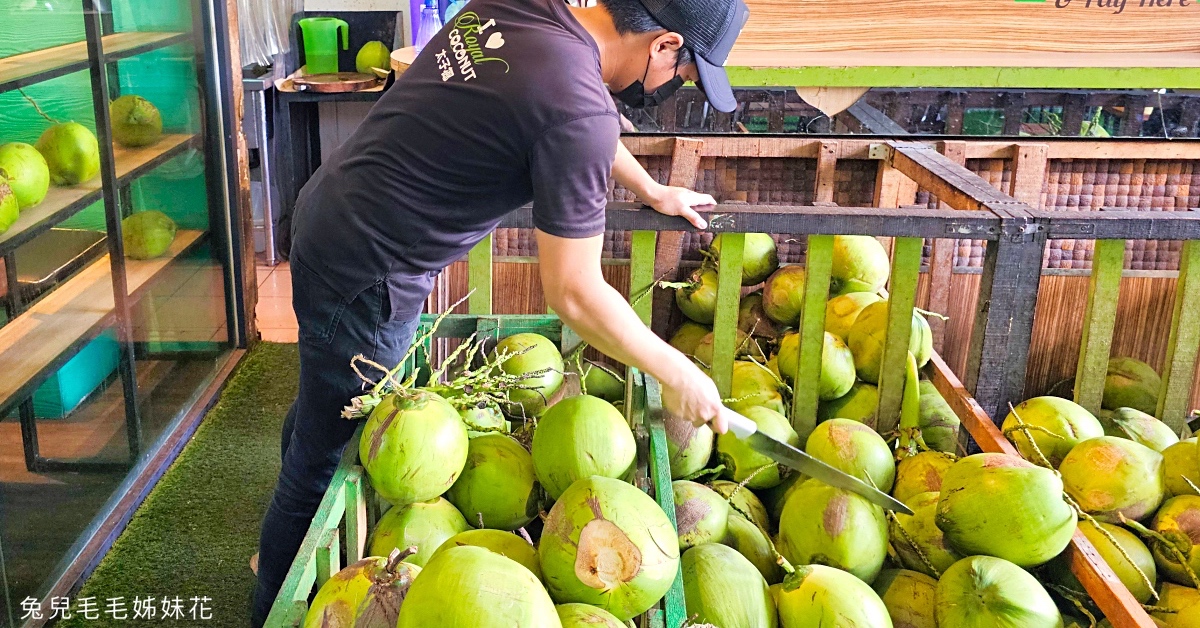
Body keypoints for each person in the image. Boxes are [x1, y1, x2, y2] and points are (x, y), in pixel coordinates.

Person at [250, 0, 750, 622]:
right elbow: (574, 291)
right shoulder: (578, 110)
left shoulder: (529, 13)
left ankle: (298, 469)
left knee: (322, 397)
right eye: (685, 72)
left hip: (329, 212)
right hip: (369, 273)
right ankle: (270, 599)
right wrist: (678, 372)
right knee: (325, 459)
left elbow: (571, 121)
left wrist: (649, 189)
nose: (675, 87)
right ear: (664, 43)